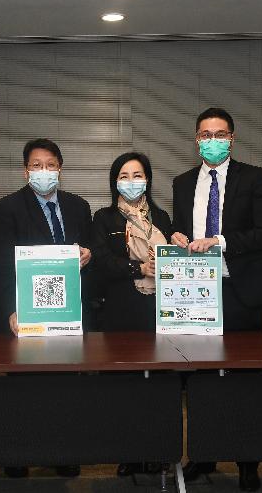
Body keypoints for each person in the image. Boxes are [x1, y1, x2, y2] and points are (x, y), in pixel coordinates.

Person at [170, 107, 262, 492]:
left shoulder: (254, 178)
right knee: (200, 383)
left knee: (245, 383)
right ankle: (203, 453)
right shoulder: (182, 183)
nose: (211, 140)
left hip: (241, 292)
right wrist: (178, 237)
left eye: (219, 133)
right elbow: (180, 228)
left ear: (232, 138)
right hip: (198, 295)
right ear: (196, 139)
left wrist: (222, 242)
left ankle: (248, 463)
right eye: (204, 133)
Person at [0, 138, 92, 478]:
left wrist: (89, 255)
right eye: (36, 165)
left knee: (64, 387)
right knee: (24, 387)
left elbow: (92, 251)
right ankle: (18, 455)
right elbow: (1, 265)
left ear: (60, 169)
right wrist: (10, 311)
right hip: (26, 314)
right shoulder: (8, 208)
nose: (43, 171)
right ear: (25, 170)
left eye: (49, 164)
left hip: (66, 313)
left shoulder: (79, 206)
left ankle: (62, 452)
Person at [90, 152, 171, 477]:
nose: (132, 181)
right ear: (115, 181)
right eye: (124, 175)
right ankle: (128, 451)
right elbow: (100, 262)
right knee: (123, 386)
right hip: (122, 312)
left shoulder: (163, 218)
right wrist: (138, 267)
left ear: (148, 179)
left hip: (159, 311)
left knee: (157, 388)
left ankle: (158, 450)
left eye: (138, 174)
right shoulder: (104, 218)